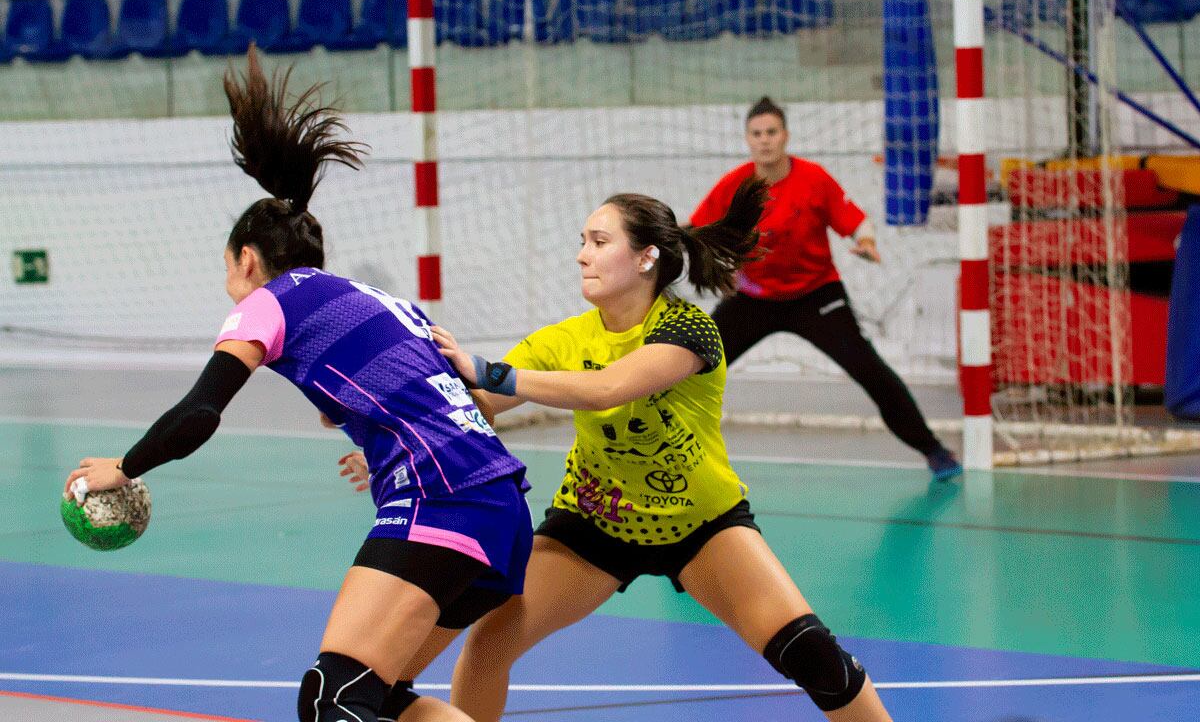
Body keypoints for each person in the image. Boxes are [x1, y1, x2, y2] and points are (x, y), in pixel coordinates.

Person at [62, 46, 533, 722]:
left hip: (442, 500)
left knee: (334, 697)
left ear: (248, 259)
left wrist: (124, 466)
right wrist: (363, 429)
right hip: (499, 507)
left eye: (229, 266)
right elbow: (436, 394)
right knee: (378, 696)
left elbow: (200, 411)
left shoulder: (269, 301)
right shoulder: (379, 299)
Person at [419, 177, 895, 721]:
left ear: (646, 258)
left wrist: (493, 372)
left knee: (811, 654)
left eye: (599, 242)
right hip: (595, 526)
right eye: (582, 241)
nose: (581, 256)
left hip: (702, 526)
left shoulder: (689, 330)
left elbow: (607, 389)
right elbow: (474, 406)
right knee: (487, 647)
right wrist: (399, 437)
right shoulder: (563, 339)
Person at [691, 96, 962, 481]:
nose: (765, 140)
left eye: (771, 132)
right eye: (756, 134)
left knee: (871, 370)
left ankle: (934, 450)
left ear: (785, 136)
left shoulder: (813, 178)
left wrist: (867, 243)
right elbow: (699, 230)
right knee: (693, 368)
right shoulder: (734, 185)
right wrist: (713, 263)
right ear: (747, 140)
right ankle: (656, 452)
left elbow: (856, 222)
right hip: (751, 299)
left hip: (816, 296)